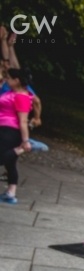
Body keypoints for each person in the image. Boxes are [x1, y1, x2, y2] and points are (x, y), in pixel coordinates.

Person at [0, 68, 33, 204]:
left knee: (3, 158)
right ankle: (11, 193)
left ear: (16, 81)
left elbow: (23, 120)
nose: (6, 80)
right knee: (10, 164)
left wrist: (25, 140)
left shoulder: (22, 96)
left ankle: (20, 149)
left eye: (9, 78)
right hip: (2, 128)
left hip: (11, 131)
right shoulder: (10, 92)